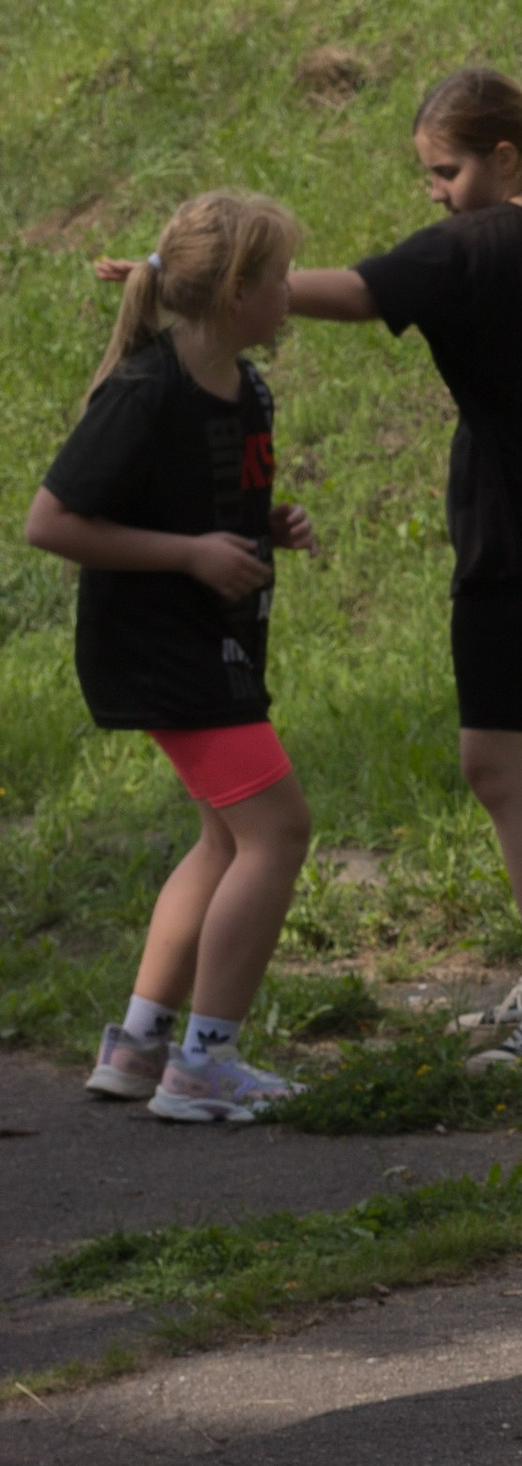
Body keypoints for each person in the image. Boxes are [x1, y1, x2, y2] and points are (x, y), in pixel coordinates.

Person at [284, 68, 522, 1071]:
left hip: (517, 542)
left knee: (496, 766)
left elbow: (362, 293)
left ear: (503, 157)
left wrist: (227, 282)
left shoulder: (488, 243)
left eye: (445, 170)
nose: (435, 192)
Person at [29, 193, 318, 1123]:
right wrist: (190, 555)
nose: (290, 292)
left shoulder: (246, 387)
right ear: (236, 292)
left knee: (226, 837)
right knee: (276, 832)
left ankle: (139, 1043)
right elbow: (53, 521)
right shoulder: (144, 391)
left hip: (218, 643)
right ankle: (205, 1064)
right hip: (163, 651)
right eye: (277, 278)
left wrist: (262, 526)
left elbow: (201, 501)